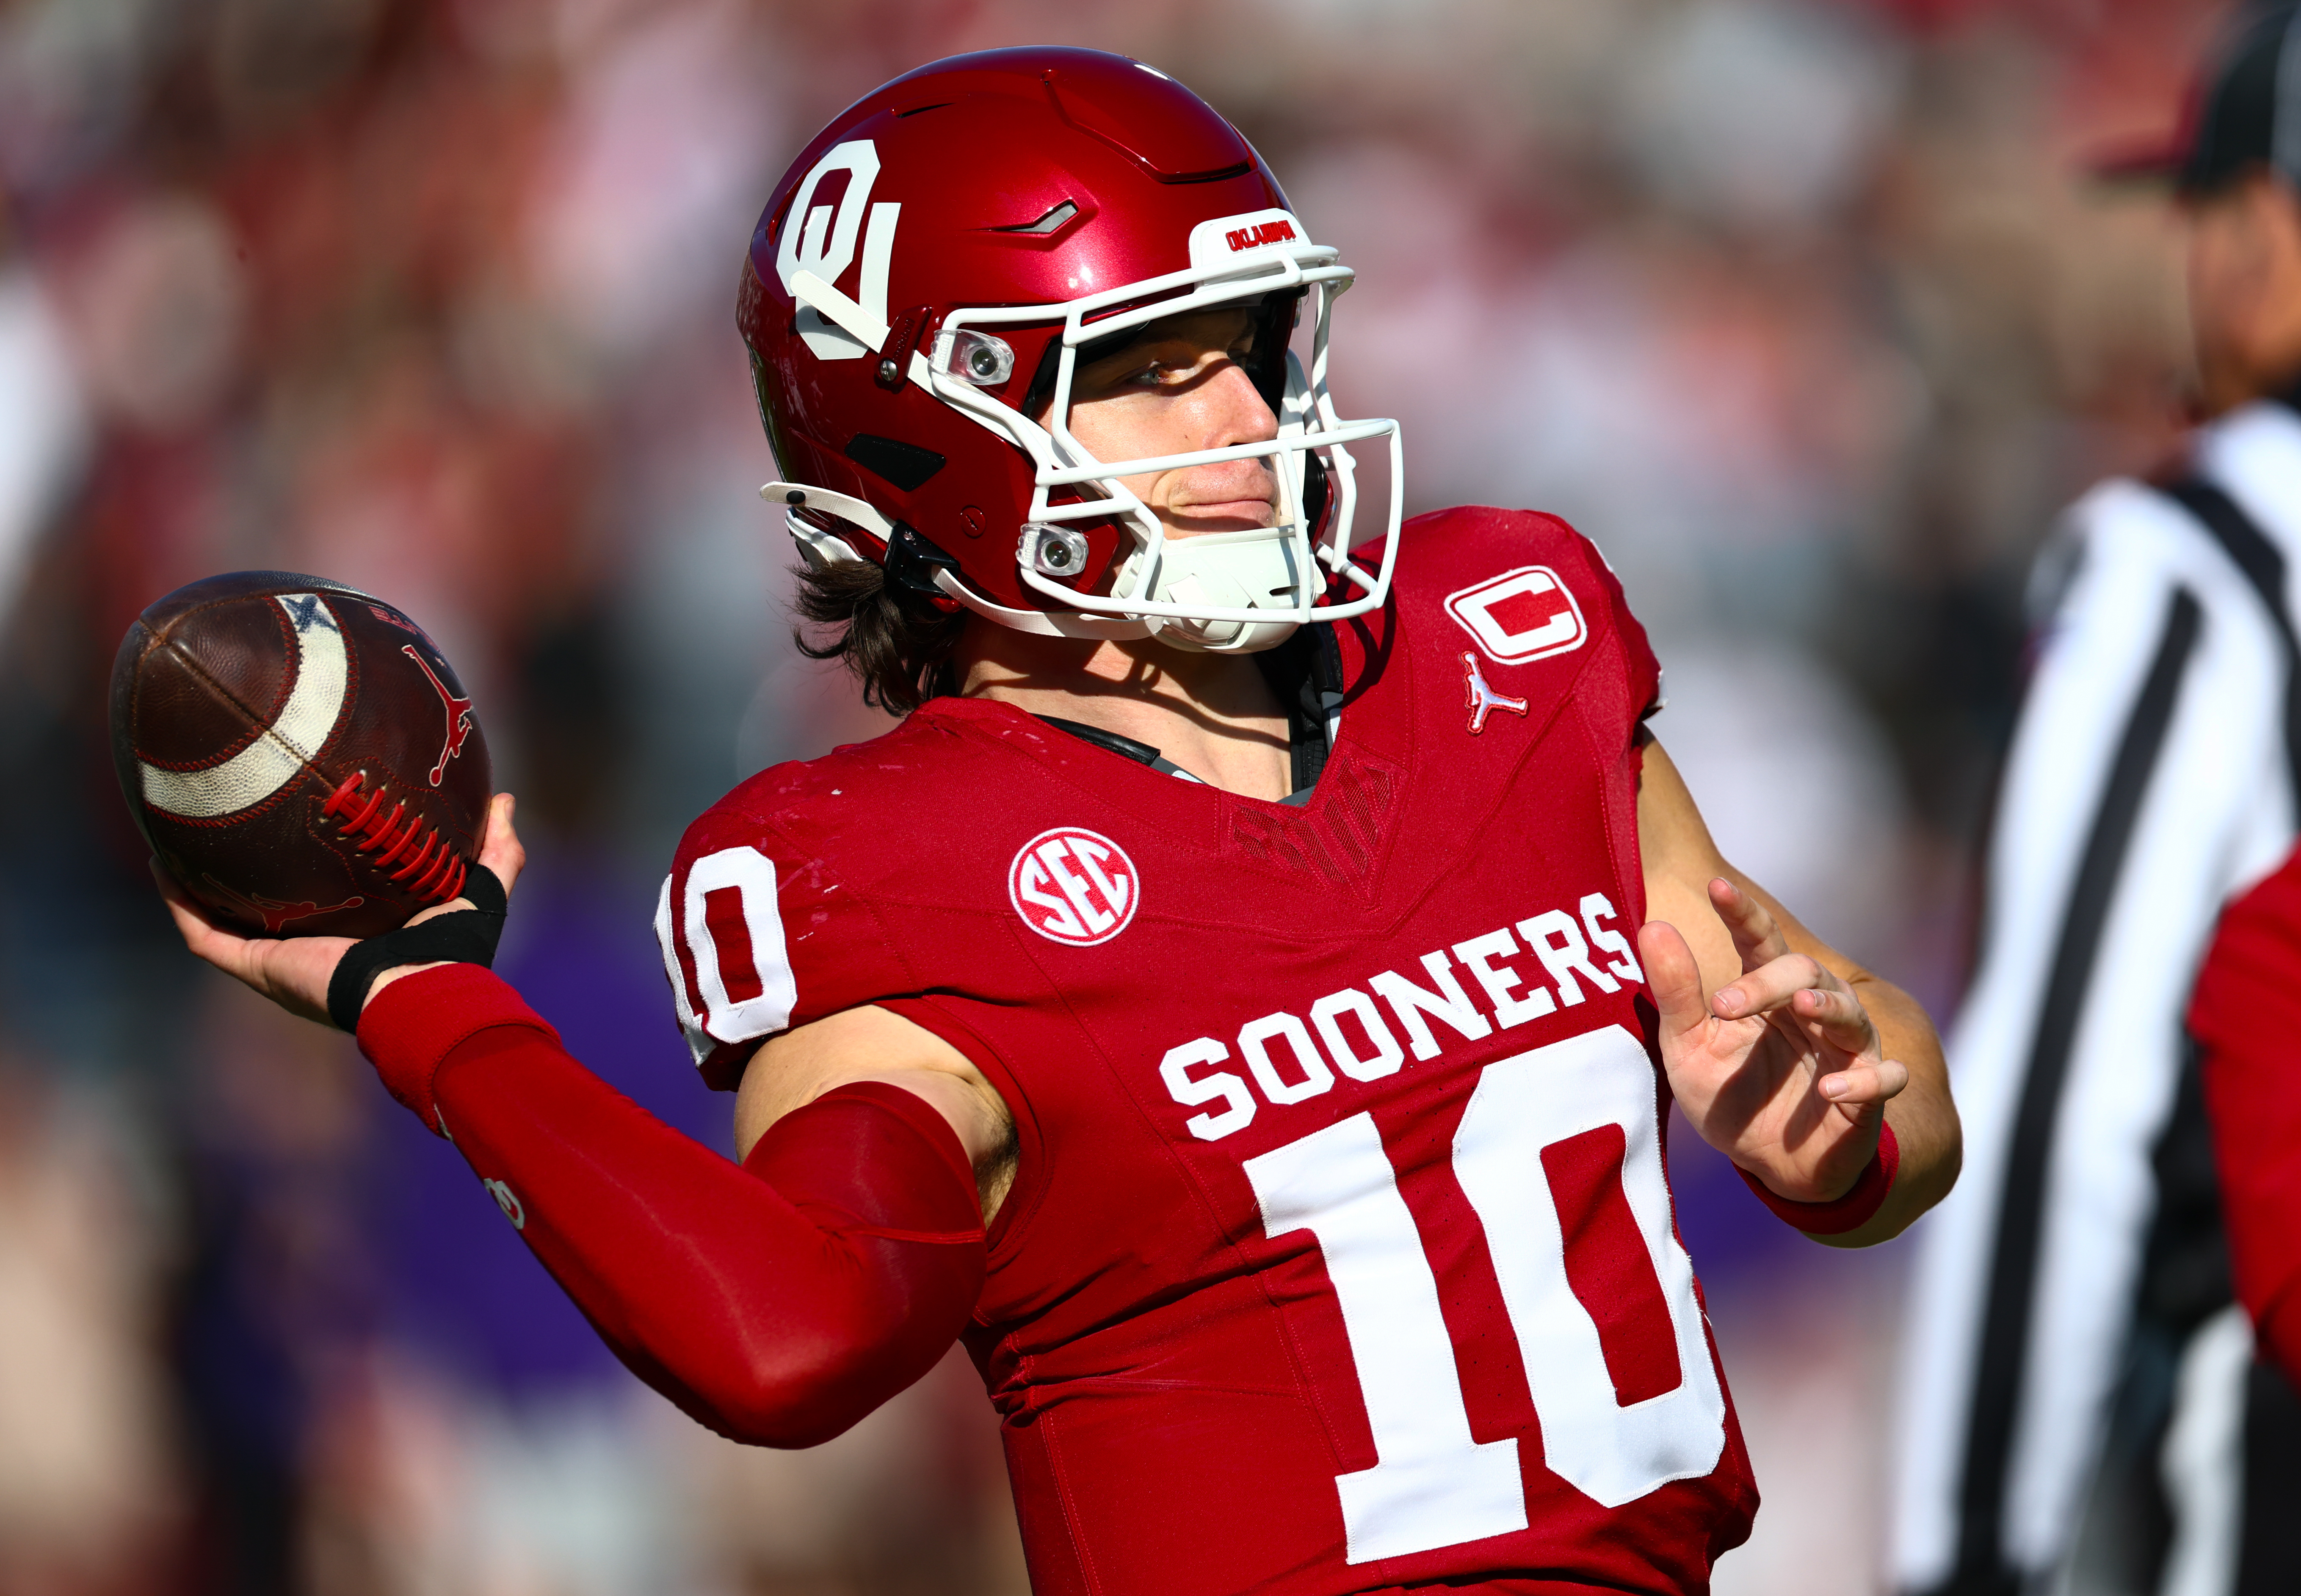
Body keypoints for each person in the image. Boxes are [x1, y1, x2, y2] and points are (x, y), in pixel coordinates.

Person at [159, 47, 1958, 1596]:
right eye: (1158, 361)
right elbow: (792, 1334)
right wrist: (426, 1005)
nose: (1251, 413)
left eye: (1255, 345)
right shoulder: (884, 871)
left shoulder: (1498, 640)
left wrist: (1830, 1132)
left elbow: (1895, 1098)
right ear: (934, 430)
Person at [1889, 8, 2301, 1593]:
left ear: (2262, 226)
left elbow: (2064, 1101)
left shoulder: (2187, 572)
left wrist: (1969, 1558)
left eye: (2200, 214)